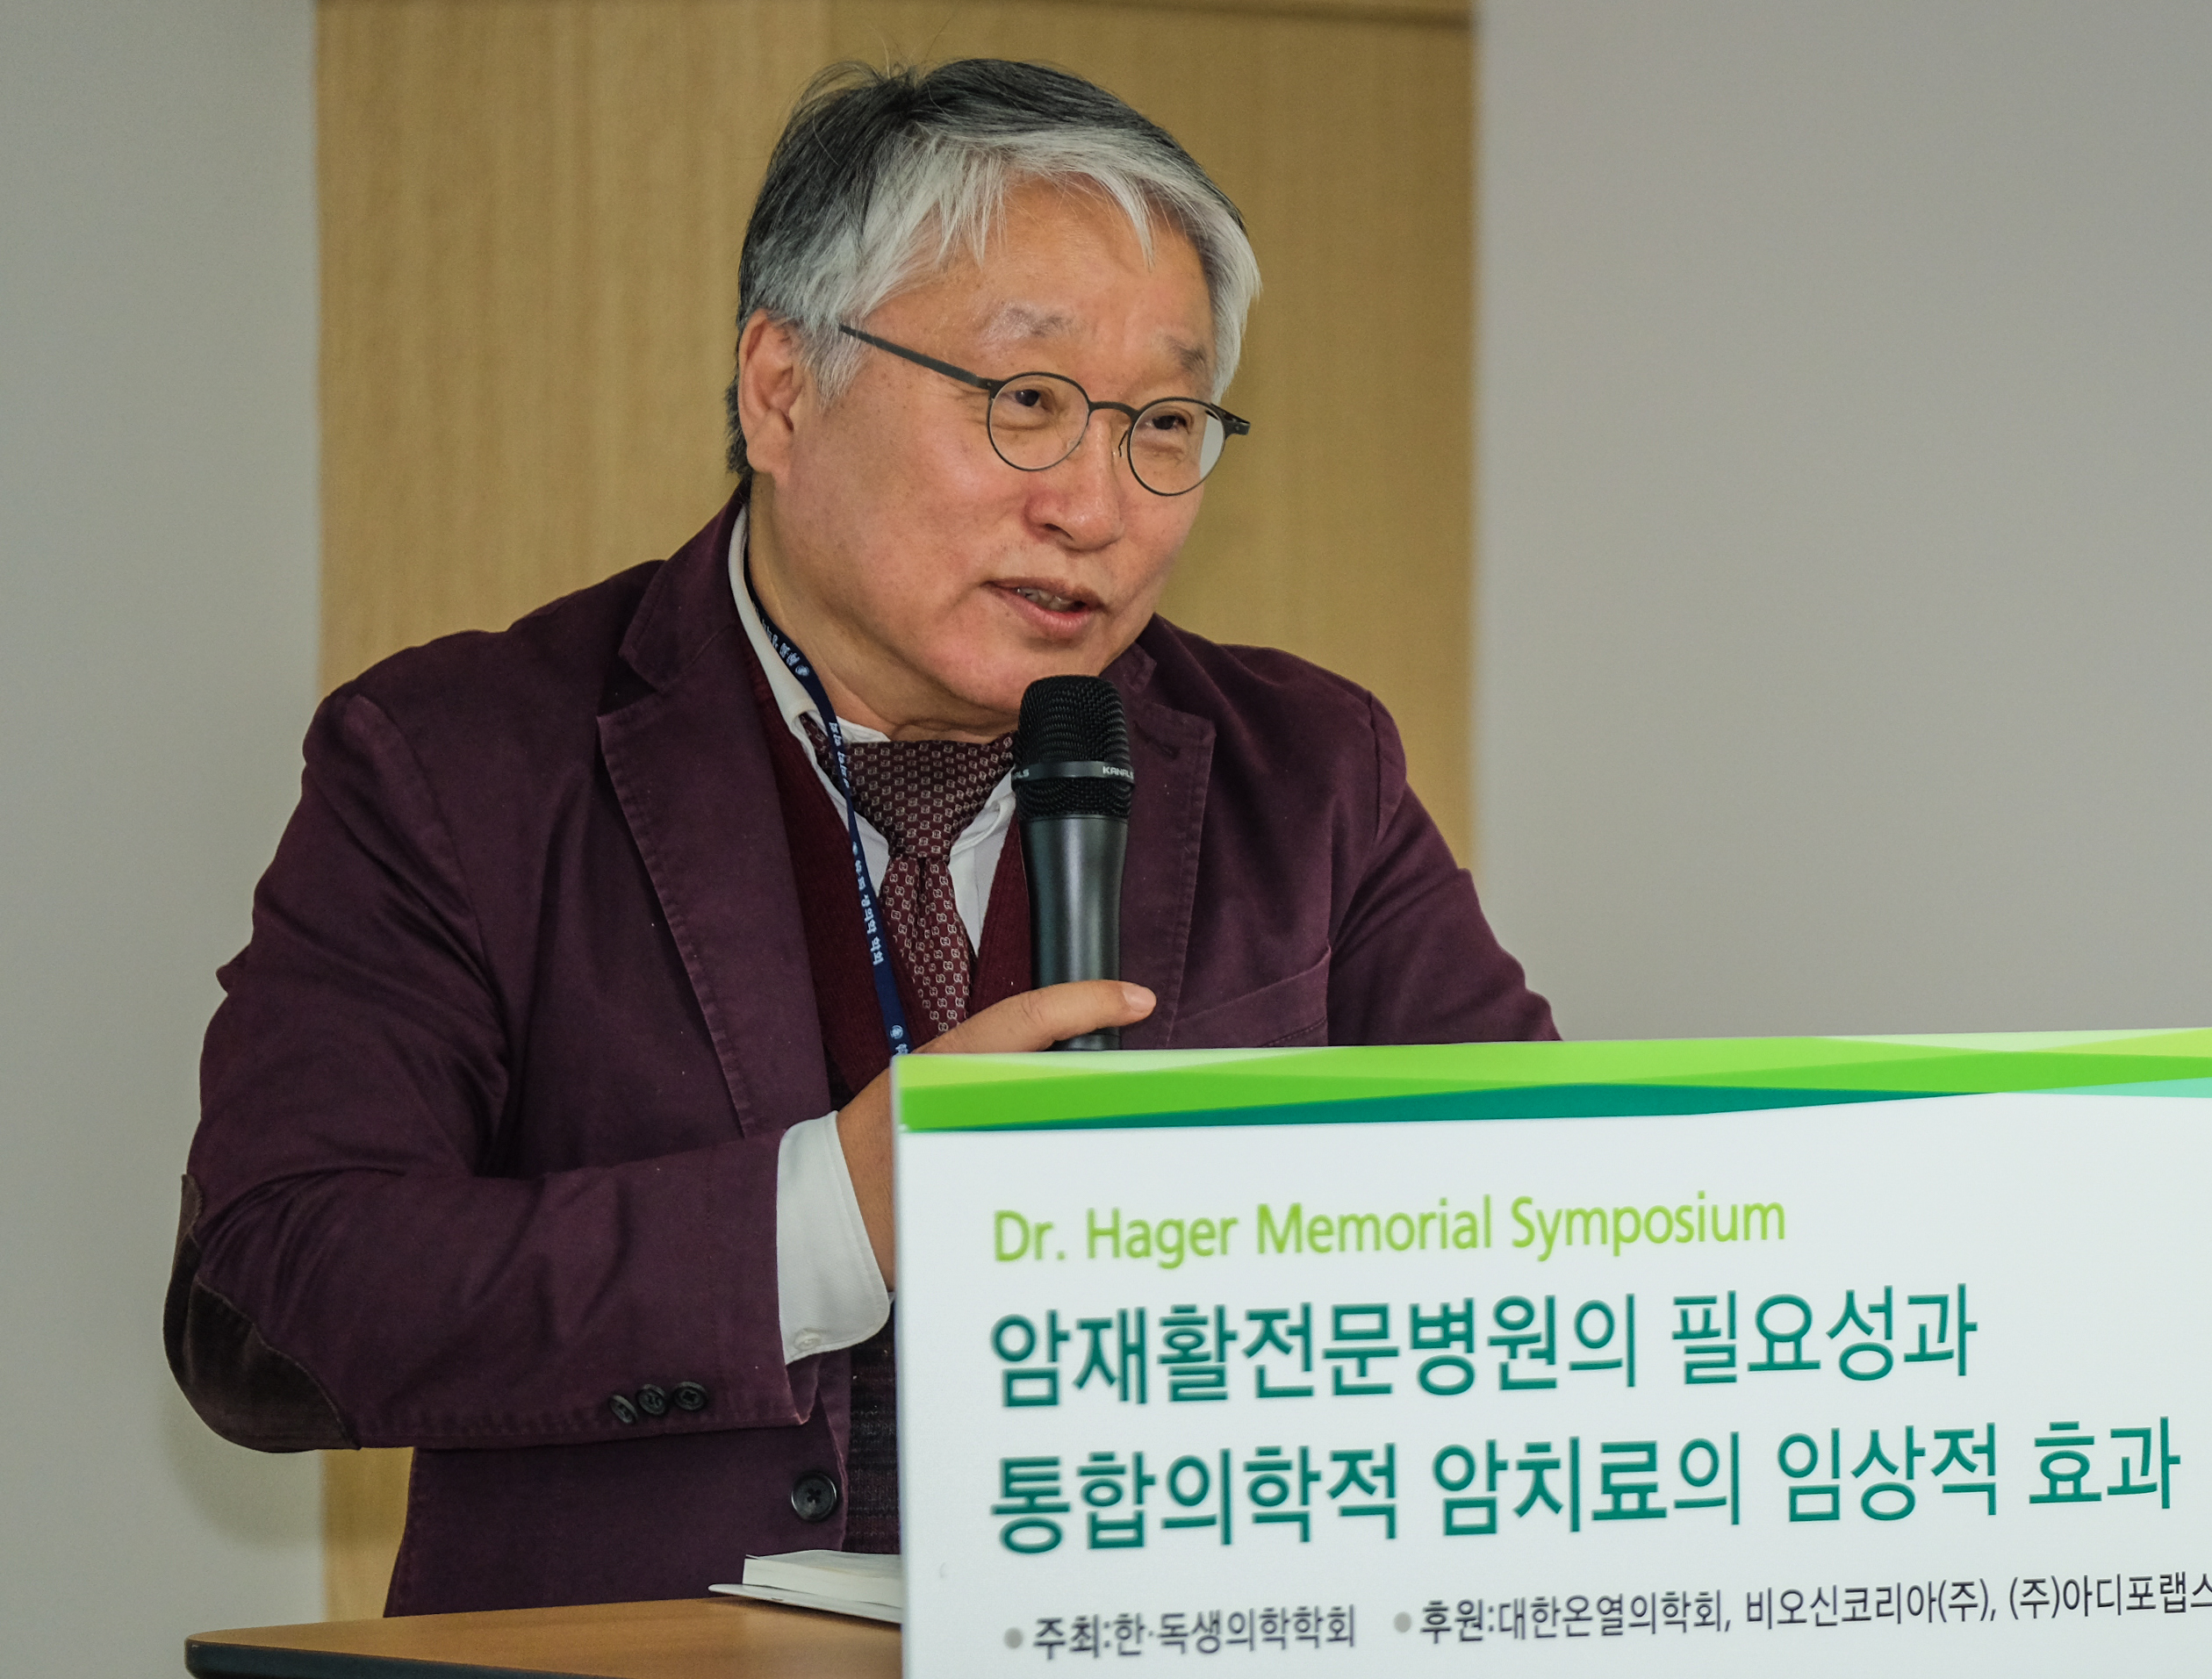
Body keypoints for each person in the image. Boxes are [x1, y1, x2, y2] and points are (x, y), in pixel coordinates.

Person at [167, 59, 1551, 1614]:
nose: (1094, 505)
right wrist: (835, 1211)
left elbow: (1547, 1230)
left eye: (1162, 423)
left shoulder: (1304, 771)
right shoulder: (462, 758)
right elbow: (272, 1300)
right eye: (1026, 403)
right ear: (781, 388)